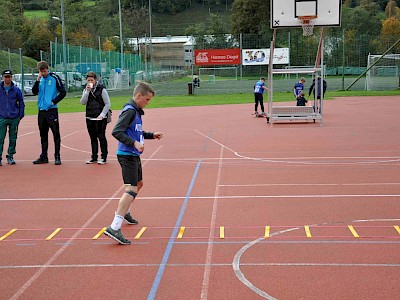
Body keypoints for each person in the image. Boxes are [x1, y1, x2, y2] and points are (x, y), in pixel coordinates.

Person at [104, 82, 164, 245]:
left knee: (139, 184)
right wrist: (134, 143)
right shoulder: (130, 111)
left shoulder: (136, 112)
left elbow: (137, 132)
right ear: (138, 96)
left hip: (133, 154)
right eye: (147, 99)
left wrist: (151, 135)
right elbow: (117, 131)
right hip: (127, 155)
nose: (147, 103)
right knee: (131, 189)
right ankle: (114, 227)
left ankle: (125, 212)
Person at [32, 61, 66, 165]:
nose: (43, 73)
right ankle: (44, 156)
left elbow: (63, 92)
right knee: (43, 134)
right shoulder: (40, 79)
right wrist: (37, 80)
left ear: (48, 69)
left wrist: (53, 102)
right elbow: (34, 92)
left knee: (55, 133)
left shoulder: (54, 77)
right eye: (41, 71)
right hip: (41, 111)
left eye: (44, 71)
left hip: (51, 110)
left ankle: (57, 156)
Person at [80, 71, 111, 164]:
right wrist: (87, 92)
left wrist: (102, 114)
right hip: (89, 116)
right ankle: (94, 157)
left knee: (101, 136)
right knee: (92, 137)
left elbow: (108, 103)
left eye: (91, 80)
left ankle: (104, 157)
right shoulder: (86, 90)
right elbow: (82, 102)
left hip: (100, 117)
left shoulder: (102, 89)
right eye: (88, 80)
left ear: (95, 80)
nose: (90, 82)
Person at [0, 69, 25, 166]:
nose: (7, 78)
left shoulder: (16, 90)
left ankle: (10, 155)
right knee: (0, 138)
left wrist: (20, 115)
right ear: (3, 77)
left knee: (13, 138)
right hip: (2, 117)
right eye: (6, 77)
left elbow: (21, 103)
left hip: (14, 117)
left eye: (9, 76)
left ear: (11, 77)